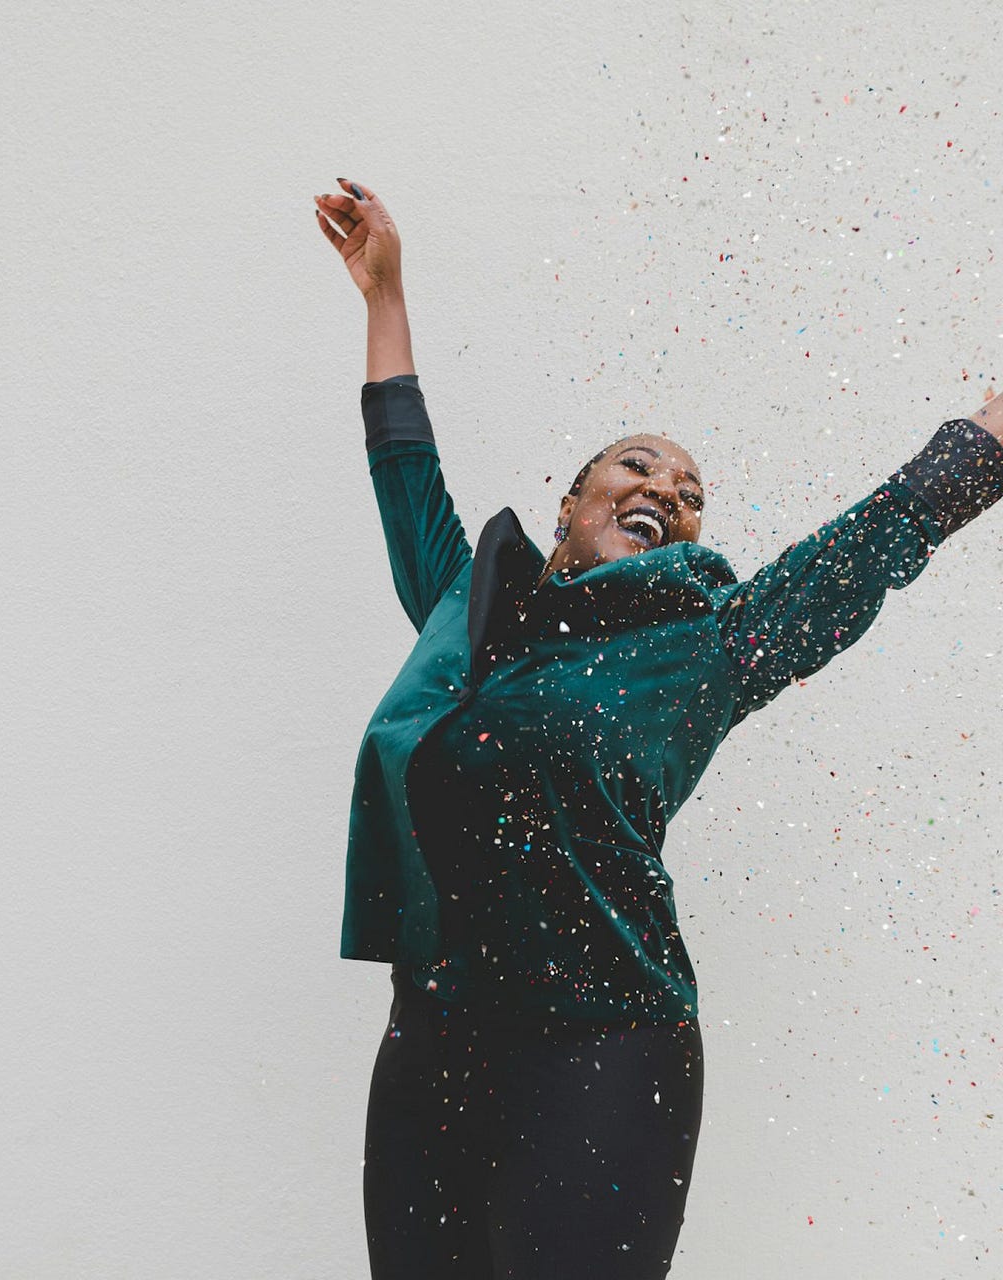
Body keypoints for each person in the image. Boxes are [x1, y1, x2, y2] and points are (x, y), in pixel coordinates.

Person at [315, 177, 1003, 1279]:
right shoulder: (468, 611)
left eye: (690, 492)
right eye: (637, 465)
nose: (668, 491)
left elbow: (858, 553)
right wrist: (383, 295)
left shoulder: (705, 647)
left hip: (602, 1050)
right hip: (432, 1040)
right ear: (571, 502)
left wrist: (988, 434)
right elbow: (405, 475)